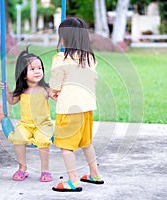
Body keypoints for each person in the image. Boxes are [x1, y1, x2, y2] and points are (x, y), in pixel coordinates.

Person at [49, 17, 104, 192]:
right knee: (86, 143)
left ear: (64, 37)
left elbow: (56, 84)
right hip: (87, 108)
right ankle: (94, 174)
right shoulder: (89, 58)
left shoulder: (60, 58)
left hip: (69, 108)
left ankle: (73, 181)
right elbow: (91, 80)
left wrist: (53, 92)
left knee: (66, 147)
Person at [0, 48, 53, 182]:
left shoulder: (46, 89)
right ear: (23, 74)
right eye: (32, 69)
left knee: (43, 141)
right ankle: (22, 168)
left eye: (39, 68)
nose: (37, 71)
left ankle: (45, 171)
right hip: (25, 125)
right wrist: (6, 91)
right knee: (18, 138)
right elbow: (12, 101)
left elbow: (57, 97)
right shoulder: (22, 91)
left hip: (43, 125)